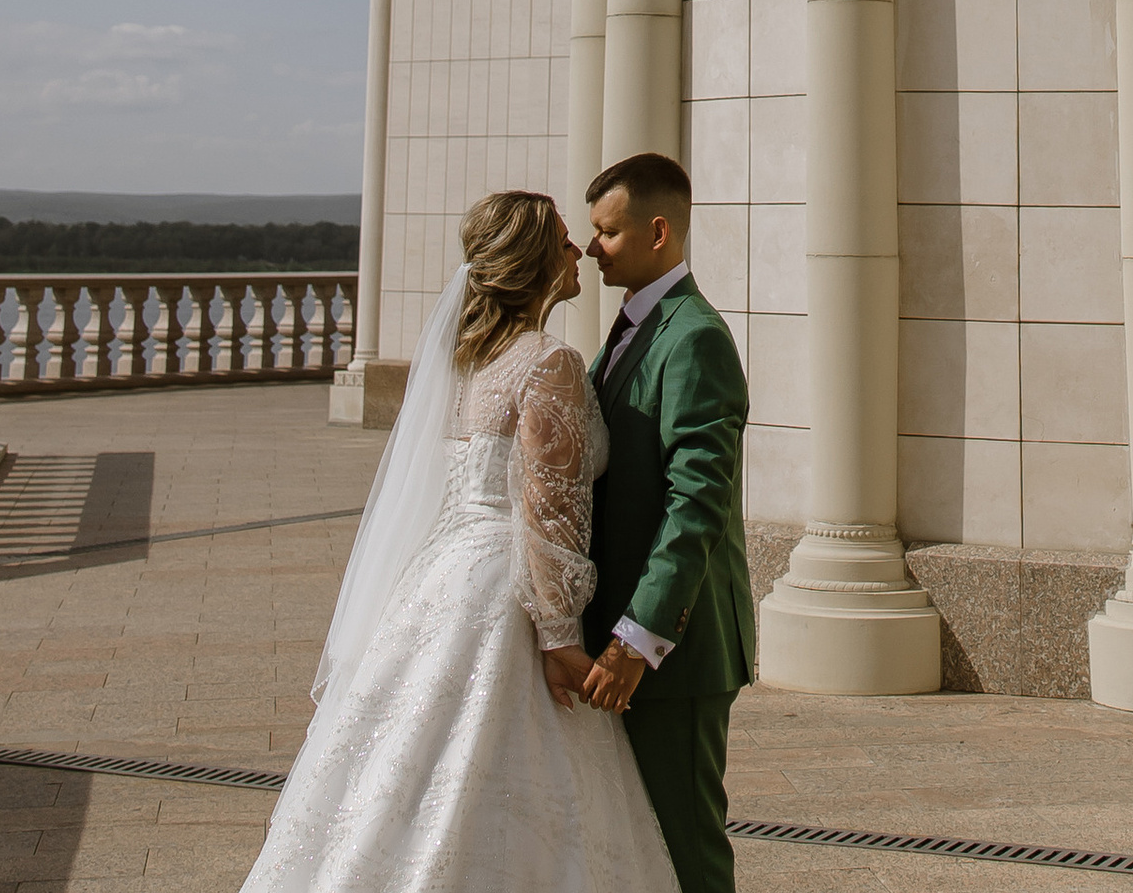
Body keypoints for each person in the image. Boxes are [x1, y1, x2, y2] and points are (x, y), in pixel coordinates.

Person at [239, 188, 677, 893]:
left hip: (440, 577)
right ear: (536, 261)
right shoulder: (548, 361)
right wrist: (562, 639)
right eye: (565, 239)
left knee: (395, 776)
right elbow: (548, 512)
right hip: (505, 584)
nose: (578, 252)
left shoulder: (464, 360)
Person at [574, 152, 753, 893]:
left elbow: (696, 503)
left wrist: (637, 640)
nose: (591, 248)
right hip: (617, 640)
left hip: (674, 655)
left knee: (686, 853)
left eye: (606, 234)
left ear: (657, 232)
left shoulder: (695, 338)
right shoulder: (629, 329)